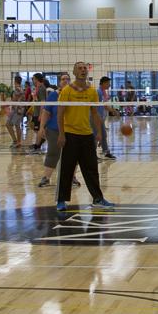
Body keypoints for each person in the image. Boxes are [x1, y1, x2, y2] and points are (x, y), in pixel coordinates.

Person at [55, 62, 115, 211]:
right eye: (80, 68)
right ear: (74, 72)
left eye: (84, 68)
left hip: (87, 135)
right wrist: (61, 134)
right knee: (67, 170)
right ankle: (61, 200)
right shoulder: (67, 91)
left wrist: (100, 133)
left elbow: (95, 113)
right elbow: (60, 113)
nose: (83, 70)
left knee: (92, 169)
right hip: (70, 135)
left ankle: (98, 198)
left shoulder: (92, 91)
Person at [36, 73, 81, 189]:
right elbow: (46, 112)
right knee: (53, 153)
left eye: (67, 79)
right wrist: (41, 128)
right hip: (54, 129)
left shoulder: (75, 94)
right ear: (59, 82)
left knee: (73, 155)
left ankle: (72, 177)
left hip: (72, 129)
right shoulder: (53, 95)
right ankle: (46, 178)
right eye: (63, 79)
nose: (65, 80)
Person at [95, 76, 117, 160]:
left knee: (103, 135)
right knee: (96, 136)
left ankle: (106, 152)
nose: (109, 85)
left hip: (101, 118)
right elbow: (96, 107)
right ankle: (93, 155)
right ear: (103, 83)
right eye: (108, 83)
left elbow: (105, 105)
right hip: (96, 118)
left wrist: (113, 111)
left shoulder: (103, 92)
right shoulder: (98, 92)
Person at [7, 76, 24, 148]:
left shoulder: (17, 89)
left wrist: (6, 104)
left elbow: (14, 100)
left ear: (15, 81)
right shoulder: (21, 88)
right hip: (19, 109)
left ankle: (15, 141)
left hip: (17, 110)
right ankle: (18, 142)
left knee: (8, 124)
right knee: (17, 126)